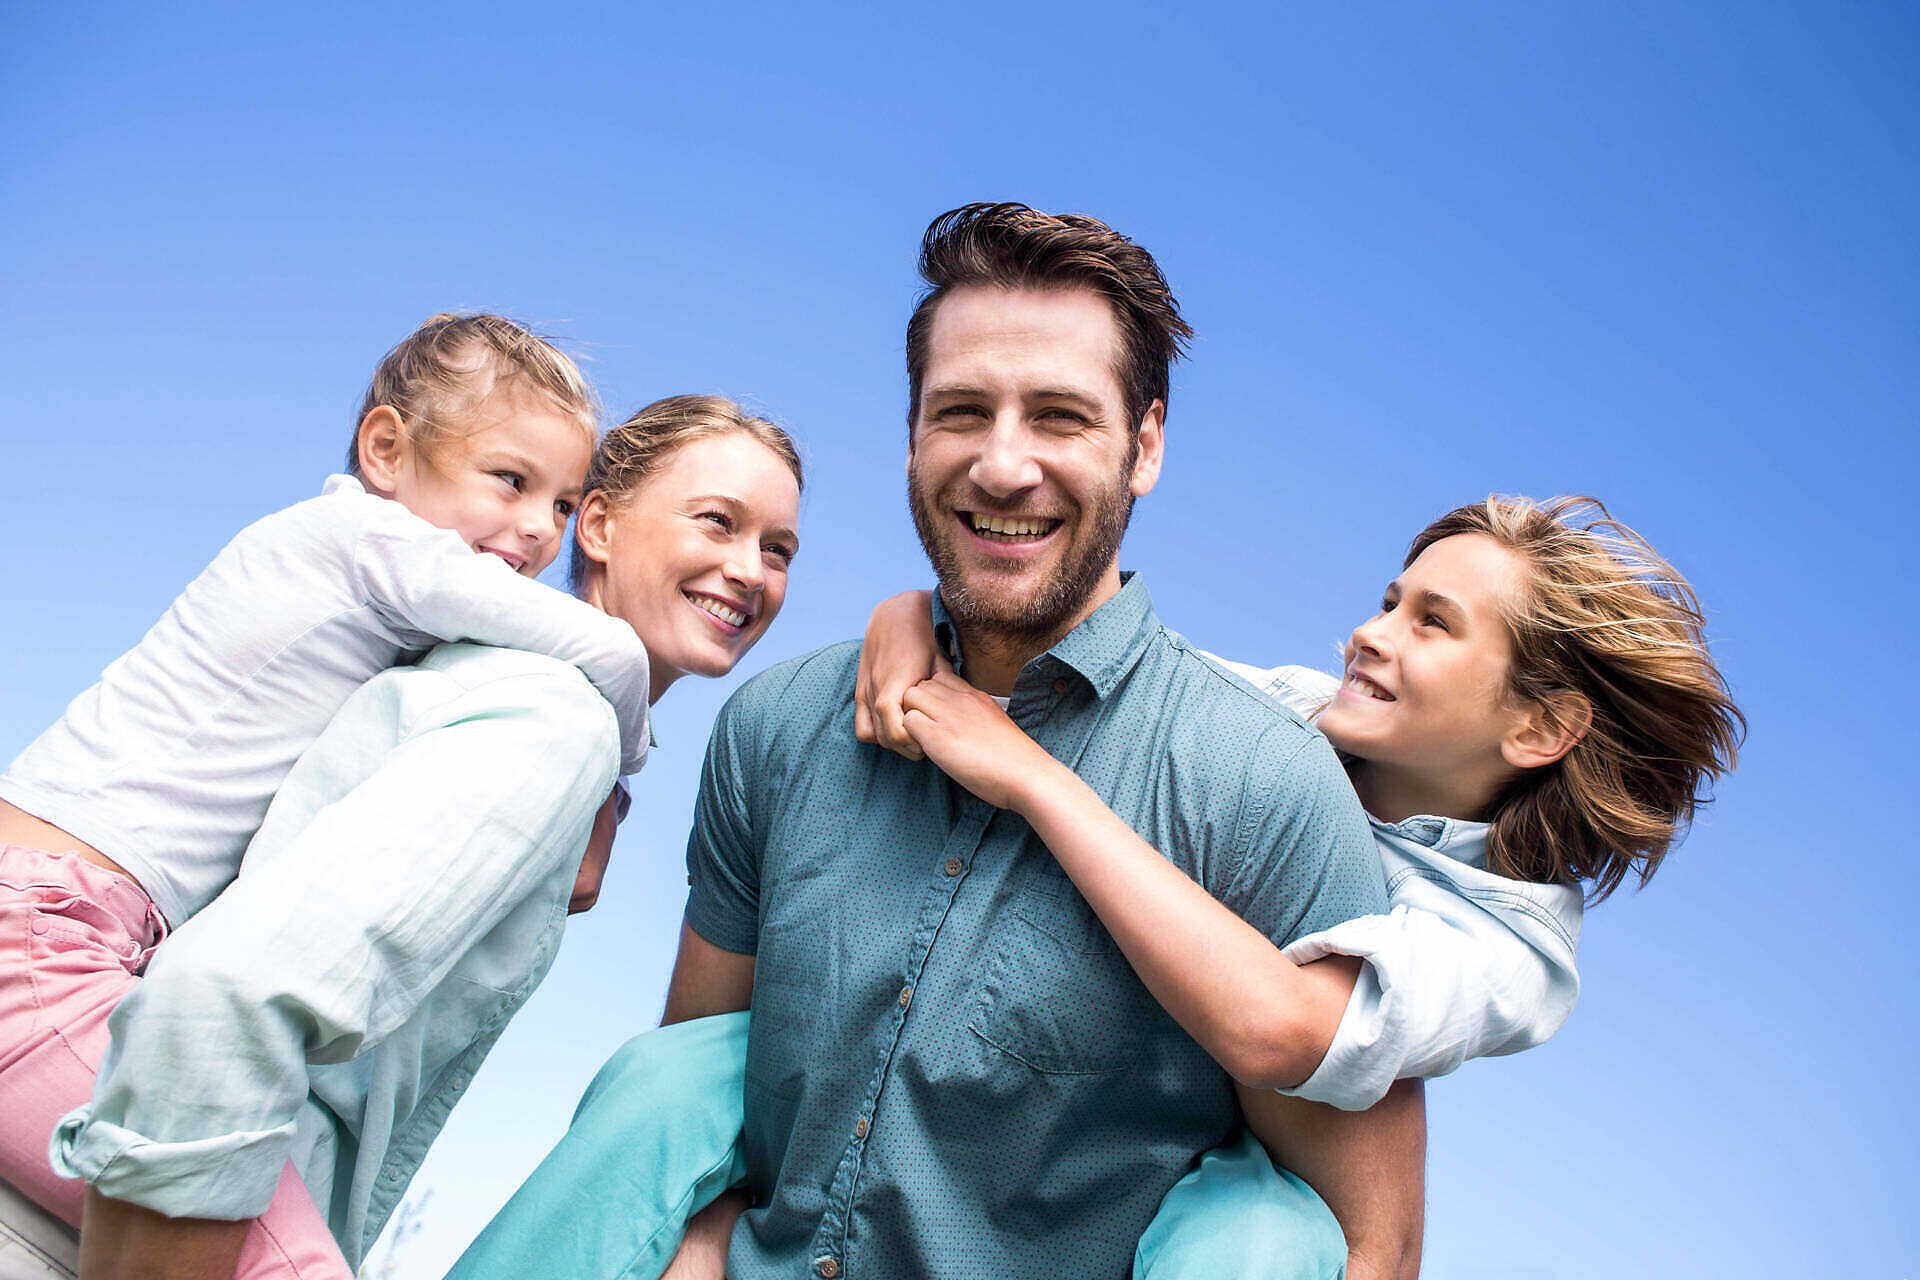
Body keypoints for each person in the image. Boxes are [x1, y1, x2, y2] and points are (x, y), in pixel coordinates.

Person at [451, 202, 1424, 1280]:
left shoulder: (1265, 783)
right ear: (912, 431)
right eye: (962, 411)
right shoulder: (776, 728)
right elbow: (700, 1089)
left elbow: (1361, 1242)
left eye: (1059, 416)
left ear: (1144, 445)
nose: (1003, 467)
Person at [854, 492, 1745, 1274]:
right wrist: (913, 615)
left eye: (1433, 623)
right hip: (1114, 1111)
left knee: (1250, 1246)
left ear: (1541, 727)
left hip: (1255, 1191)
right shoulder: (1289, 718)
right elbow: (1093, 683)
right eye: (1390, 602)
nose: (1371, 632)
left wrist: (1037, 782)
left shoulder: (1508, 947)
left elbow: (1278, 1029)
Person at [0, 311, 651, 1279]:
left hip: (66, 927)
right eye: (509, 479)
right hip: (40, 936)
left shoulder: (342, 574)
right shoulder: (366, 540)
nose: (534, 528)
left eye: (560, 503)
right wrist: (614, 776)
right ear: (386, 448)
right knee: (285, 1258)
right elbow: (609, 647)